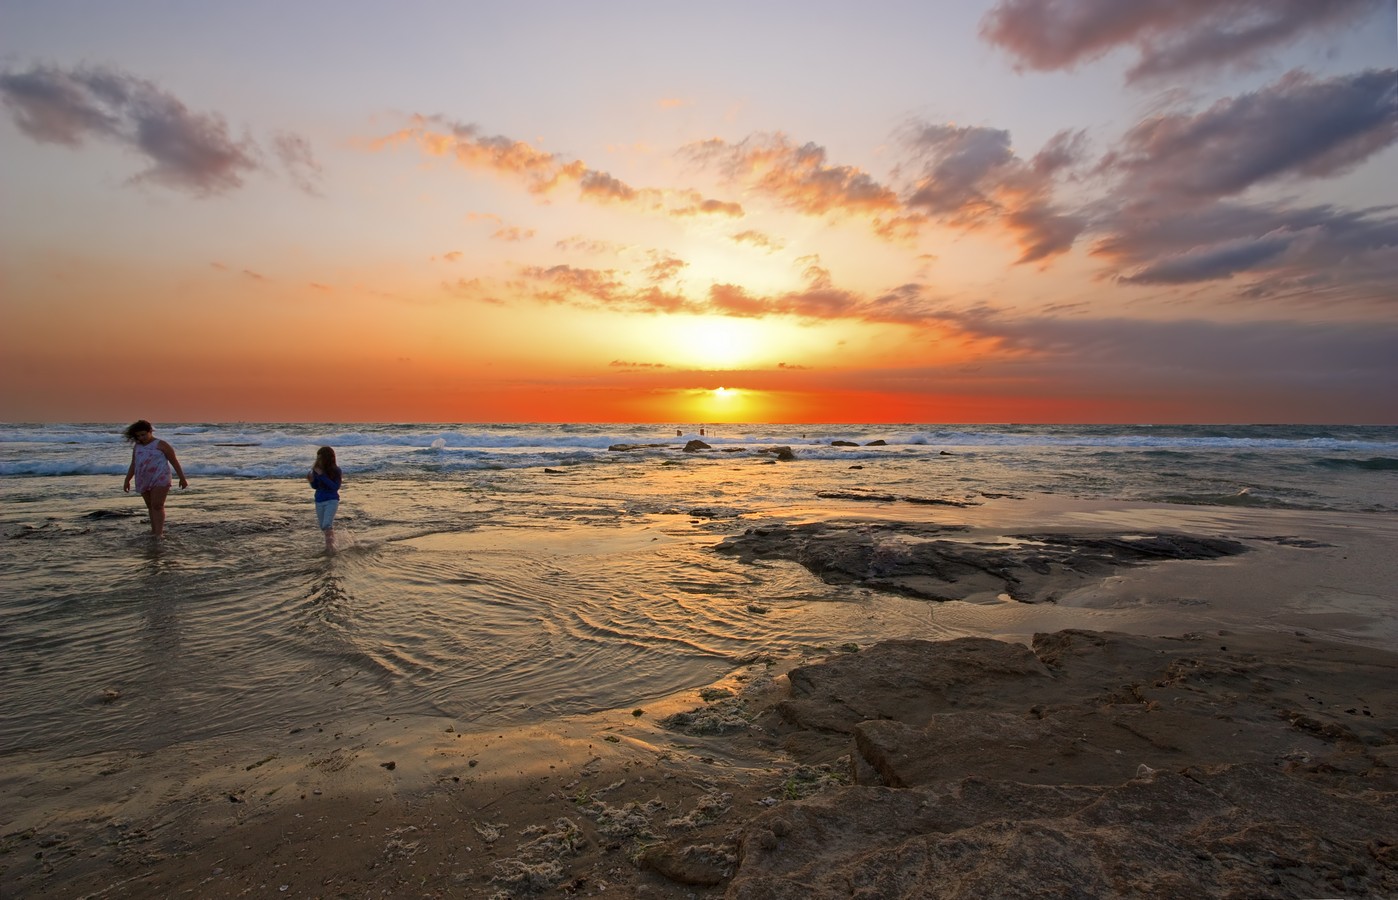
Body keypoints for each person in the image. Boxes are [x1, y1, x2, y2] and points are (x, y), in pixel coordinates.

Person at [122, 420, 187, 537]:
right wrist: (127, 480)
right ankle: (154, 531)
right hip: (143, 478)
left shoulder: (161, 444)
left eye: (143, 434)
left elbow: (174, 462)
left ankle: (159, 534)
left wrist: (182, 478)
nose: (141, 438)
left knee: (157, 505)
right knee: (150, 506)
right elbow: (134, 464)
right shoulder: (137, 446)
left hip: (160, 477)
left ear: (150, 431)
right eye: (138, 436)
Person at [307, 446, 342, 551]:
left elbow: (335, 487)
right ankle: (333, 545)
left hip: (331, 500)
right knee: (323, 526)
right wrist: (312, 481)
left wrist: (322, 475)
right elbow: (316, 486)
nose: (318, 460)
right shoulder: (317, 471)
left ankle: (330, 549)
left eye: (320, 457)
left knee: (327, 524)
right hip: (319, 500)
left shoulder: (336, 470)